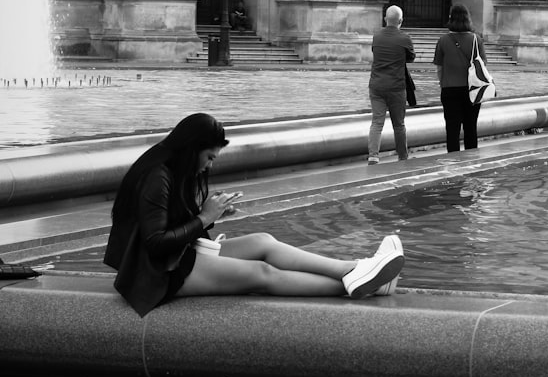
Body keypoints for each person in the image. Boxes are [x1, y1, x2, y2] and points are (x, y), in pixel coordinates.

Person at [103, 113, 405, 316]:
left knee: (263, 241)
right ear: (192, 148)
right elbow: (155, 242)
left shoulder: (168, 169)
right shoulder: (158, 176)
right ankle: (370, 284)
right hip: (157, 274)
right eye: (209, 157)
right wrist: (204, 218)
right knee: (261, 274)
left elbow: (164, 227)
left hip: (174, 257)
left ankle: (357, 268)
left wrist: (209, 215)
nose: (209, 166)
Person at [433, 4, 486, 152]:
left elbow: (439, 67)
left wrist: (442, 84)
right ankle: (471, 161)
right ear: (468, 19)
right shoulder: (476, 40)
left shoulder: (443, 40)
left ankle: (453, 161)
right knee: (471, 128)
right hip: (473, 89)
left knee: (452, 130)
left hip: (450, 89)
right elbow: (483, 65)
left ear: (451, 18)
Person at [368, 5, 415, 165]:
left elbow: (376, 52)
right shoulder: (405, 38)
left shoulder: (377, 37)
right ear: (401, 20)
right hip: (396, 86)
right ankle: (402, 156)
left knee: (377, 122)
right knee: (399, 124)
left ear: (385, 19)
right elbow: (411, 57)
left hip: (376, 85)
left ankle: (373, 156)